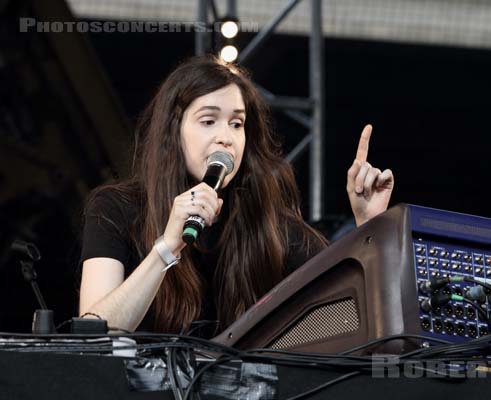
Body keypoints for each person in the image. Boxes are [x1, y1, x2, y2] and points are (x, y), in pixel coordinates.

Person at [79, 56, 394, 336]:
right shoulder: (115, 208)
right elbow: (95, 332)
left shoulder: (268, 223)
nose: (226, 138)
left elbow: (345, 316)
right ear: (173, 131)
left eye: (237, 123)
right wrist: (167, 248)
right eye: (208, 121)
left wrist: (369, 226)